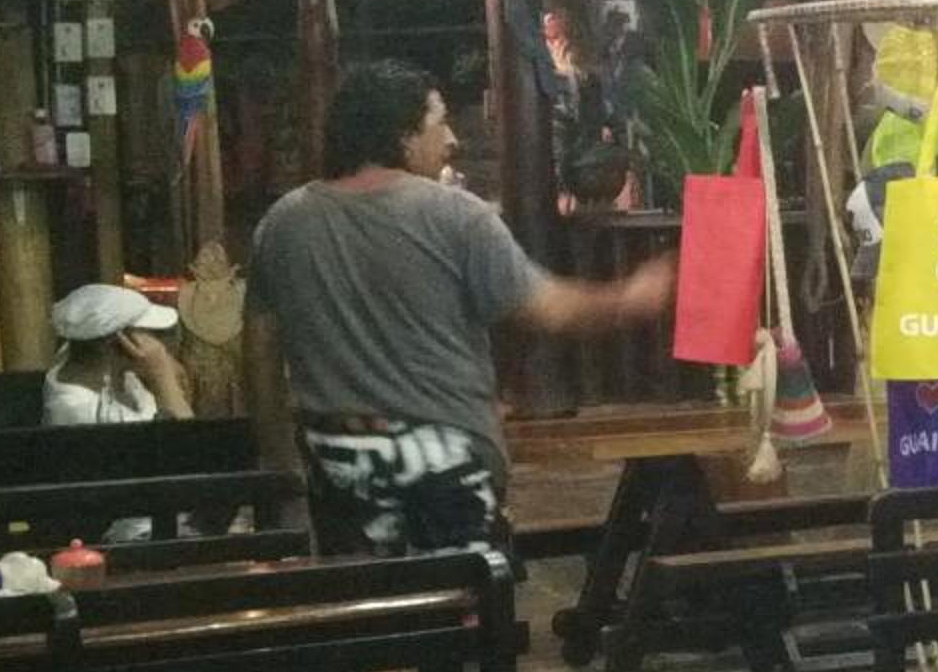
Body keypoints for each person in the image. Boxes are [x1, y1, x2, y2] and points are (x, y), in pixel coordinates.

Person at [250, 58, 674, 558]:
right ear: (402, 137)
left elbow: (259, 353)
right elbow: (548, 309)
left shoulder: (283, 223)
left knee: (365, 598)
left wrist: (280, 470)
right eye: (439, 122)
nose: (451, 139)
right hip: (447, 463)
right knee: (464, 596)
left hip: (338, 464)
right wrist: (630, 297)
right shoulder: (457, 216)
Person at [43, 283, 193, 428]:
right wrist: (163, 376)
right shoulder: (81, 412)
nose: (155, 340)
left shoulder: (86, 354)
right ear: (120, 341)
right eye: (147, 331)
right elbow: (187, 439)